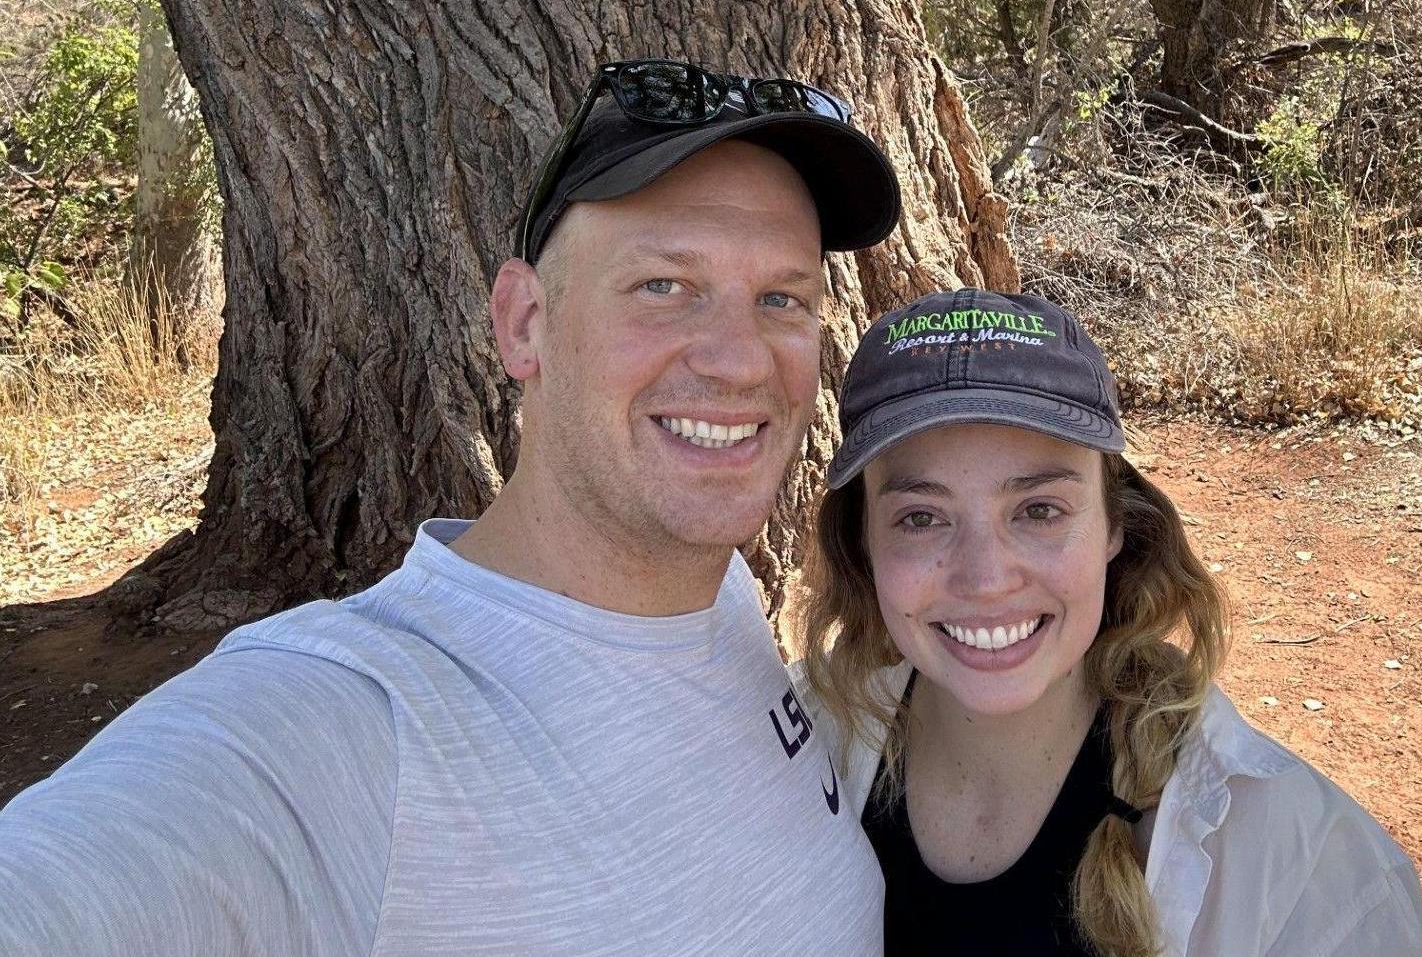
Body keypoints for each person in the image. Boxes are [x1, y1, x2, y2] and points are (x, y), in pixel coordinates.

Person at [0, 59, 901, 957]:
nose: (741, 361)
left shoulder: (724, 605)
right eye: (664, 285)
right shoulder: (343, 723)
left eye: (781, 298)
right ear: (523, 323)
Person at [798, 287, 1422, 957]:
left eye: (1039, 510)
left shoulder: (1293, 858)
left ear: (1115, 524)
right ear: (862, 541)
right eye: (921, 517)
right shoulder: (798, 742)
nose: (985, 579)